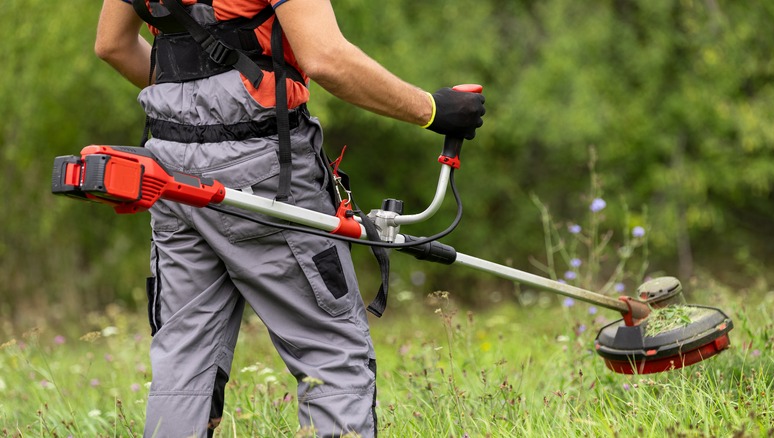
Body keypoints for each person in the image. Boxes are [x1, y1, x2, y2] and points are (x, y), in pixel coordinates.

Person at [95, 0, 485, 436]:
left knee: (184, 361)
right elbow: (326, 59)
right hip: (264, 166)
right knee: (330, 354)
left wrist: (193, 97)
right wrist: (433, 109)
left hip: (168, 165)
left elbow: (112, 45)